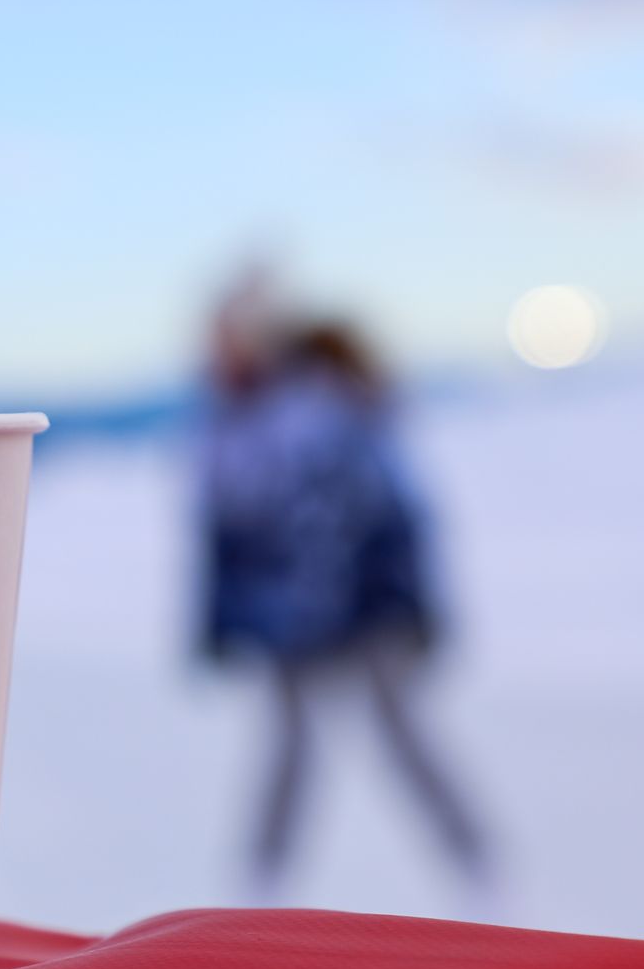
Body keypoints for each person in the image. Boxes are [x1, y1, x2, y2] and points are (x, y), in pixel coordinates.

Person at [200, 310, 495, 907]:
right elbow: (227, 535)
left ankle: (480, 874)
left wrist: (404, 605)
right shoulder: (251, 425)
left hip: (350, 613)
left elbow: (376, 516)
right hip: (308, 617)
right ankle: (262, 887)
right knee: (315, 744)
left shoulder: (306, 417)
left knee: (383, 737)